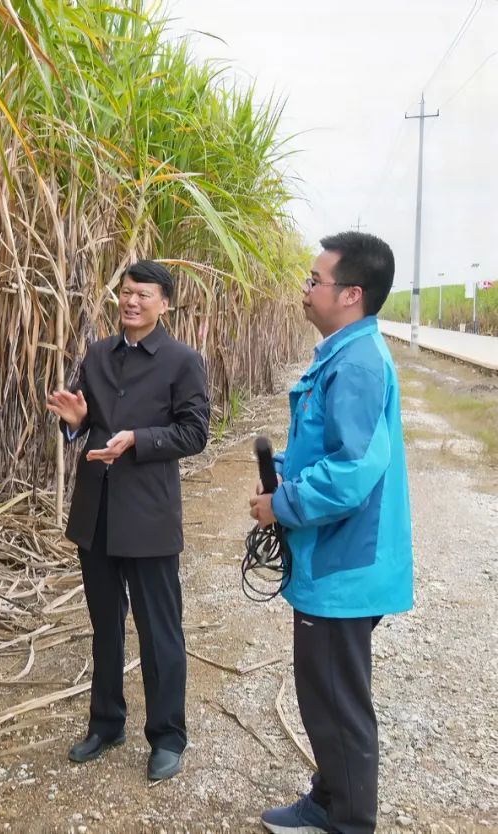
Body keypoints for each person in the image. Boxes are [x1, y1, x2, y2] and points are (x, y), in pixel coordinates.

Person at [248, 232, 413, 834]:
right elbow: (331, 452)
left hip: (347, 565)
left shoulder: (361, 364)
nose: (305, 289)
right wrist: (286, 475)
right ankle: (328, 797)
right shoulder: (342, 357)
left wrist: (281, 505)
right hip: (333, 560)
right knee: (324, 693)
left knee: (339, 702)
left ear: (350, 294)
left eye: (314, 280)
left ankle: (348, 821)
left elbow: (352, 474)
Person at [46, 260, 209, 781]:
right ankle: (106, 722)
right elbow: (87, 417)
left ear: (165, 303)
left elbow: (194, 433)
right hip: (96, 514)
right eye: (125, 292)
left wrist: (139, 439)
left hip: (149, 516)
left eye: (143, 294)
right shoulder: (97, 354)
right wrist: (76, 426)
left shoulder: (183, 361)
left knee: (160, 630)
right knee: (105, 625)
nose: (131, 301)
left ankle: (167, 736)